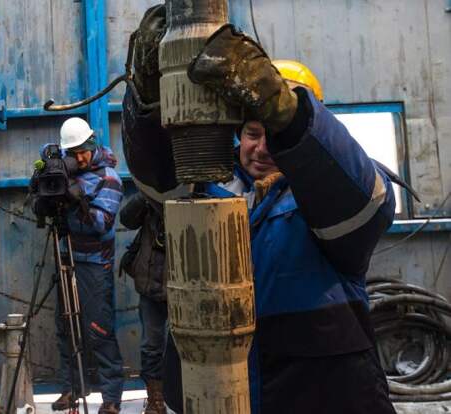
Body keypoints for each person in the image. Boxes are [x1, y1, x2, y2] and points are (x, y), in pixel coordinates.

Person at [122, 8, 397, 414]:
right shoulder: (207, 187)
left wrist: (290, 116)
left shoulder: (330, 195)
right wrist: (146, 102)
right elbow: (154, 176)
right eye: (253, 133)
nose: (262, 148)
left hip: (319, 396)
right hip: (212, 393)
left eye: (276, 134)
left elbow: (363, 203)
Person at [50, 117, 125, 414]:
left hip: (95, 264)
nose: (79, 158)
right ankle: (70, 388)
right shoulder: (65, 170)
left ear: (92, 144)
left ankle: (111, 398)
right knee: (65, 327)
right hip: (66, 258)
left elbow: (101, 224)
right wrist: (46, 169)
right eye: (73, 152)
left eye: (83, 150)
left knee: (99, 330)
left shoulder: (109, 179)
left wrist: (76, 201)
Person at [119, 192, 168, 414]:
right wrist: (146, 193)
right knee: (151, 345)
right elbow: (127, 219)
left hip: (184, 282)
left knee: (185, 345)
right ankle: (155, 399)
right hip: (151, 283)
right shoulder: (149, 194)